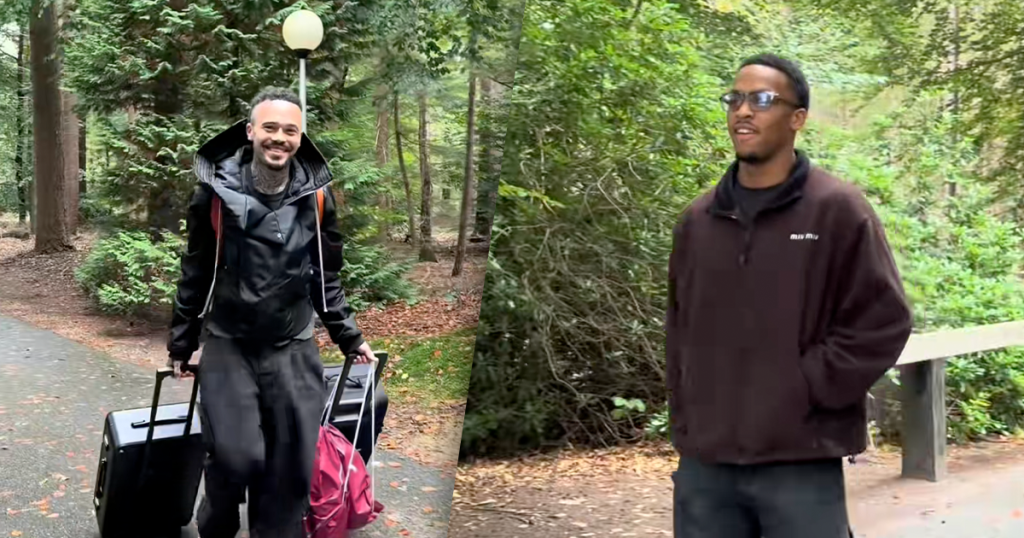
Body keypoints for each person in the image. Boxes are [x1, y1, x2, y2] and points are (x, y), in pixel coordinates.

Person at [665, 54, 913, 537]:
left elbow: (883, 322)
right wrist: (688, 417)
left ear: (797, 118)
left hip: (801, 458)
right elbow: (679, 330)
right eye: (735, 99)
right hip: (706, 468)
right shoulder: (698, 221)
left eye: (761, 100)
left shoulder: (837, 210)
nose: (743, 111)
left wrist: (806, 386)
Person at [166, 87, 375, 538]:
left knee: (290, 469)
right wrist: (181, 341)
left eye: (290, 131)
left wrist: (349, 336)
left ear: (300, 137)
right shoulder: (214, 192)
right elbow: (196, 269)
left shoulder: (317, 196)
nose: (279, 138)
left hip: (292, 346)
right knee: (236, 456)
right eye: (270, 128)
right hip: (230, 343)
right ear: (250, 131)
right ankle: (217, 520)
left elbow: (325, 275)